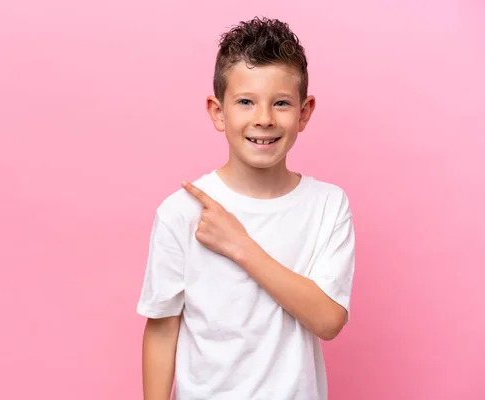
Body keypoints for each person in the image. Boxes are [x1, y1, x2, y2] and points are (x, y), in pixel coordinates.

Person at [136, 16, 356, 400]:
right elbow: (162, 326)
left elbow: (328, 319)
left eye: (282, 103)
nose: (265, 119)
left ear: (304, 112)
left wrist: (240, 245)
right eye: (245, 102)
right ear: (218, 111)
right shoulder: (180, 213)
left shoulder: (327, 205)